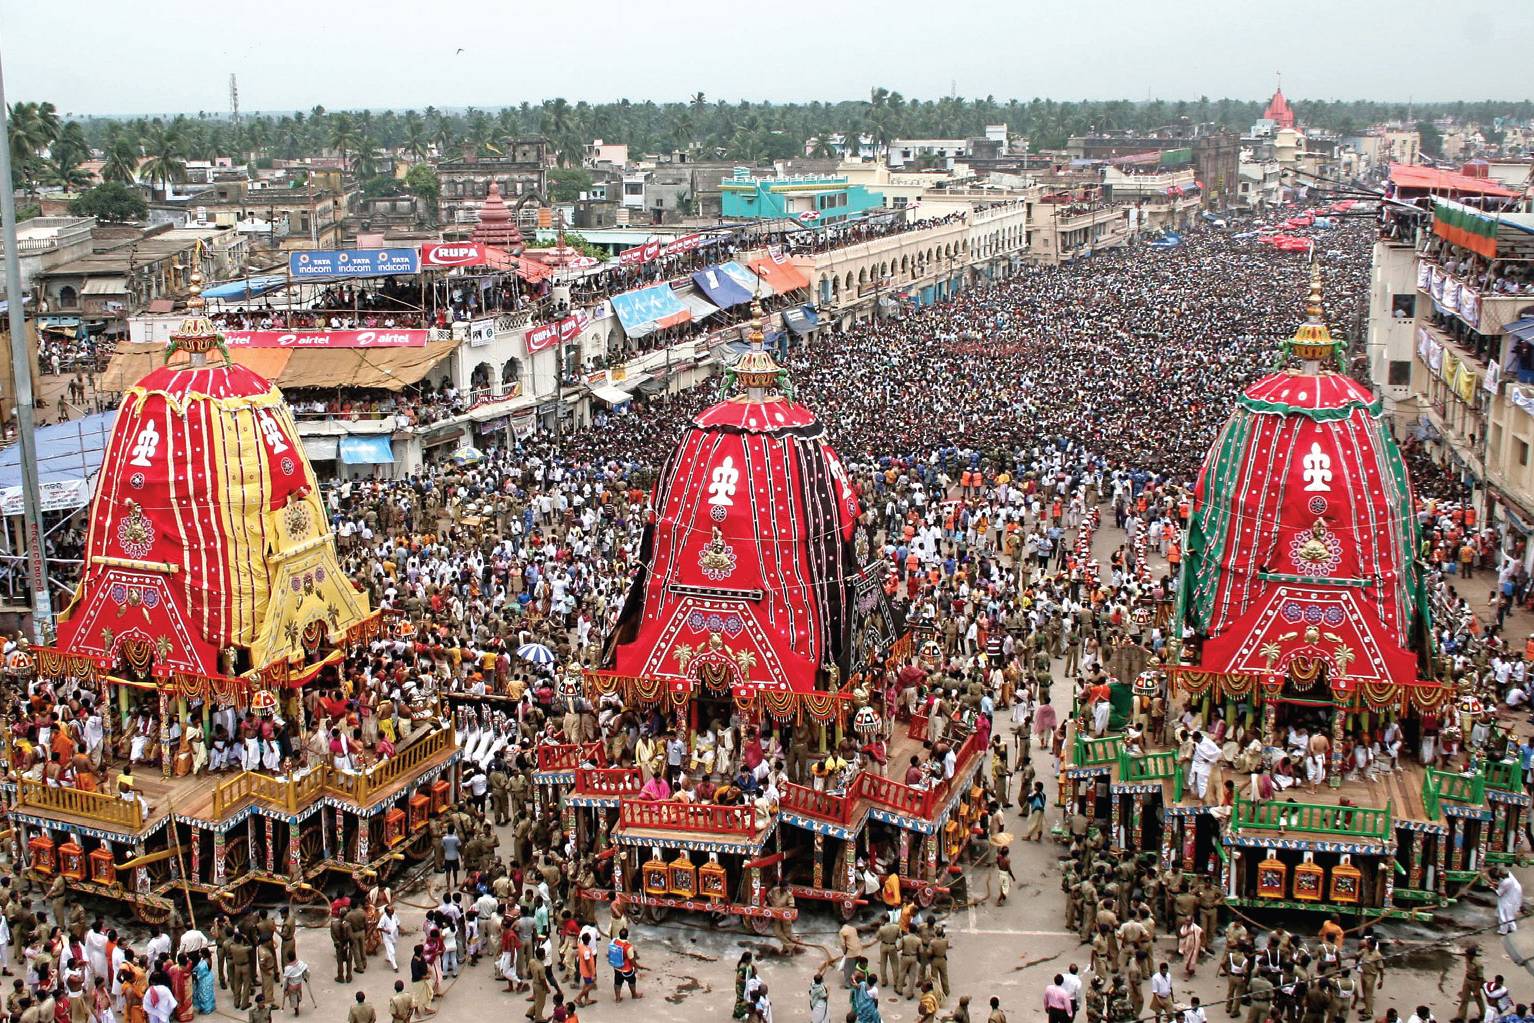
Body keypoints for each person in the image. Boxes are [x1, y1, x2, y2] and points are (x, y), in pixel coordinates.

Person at [607, 929, 638, 1002]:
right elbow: (632, 959)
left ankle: (617, 998)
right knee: (632, 981)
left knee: (617, 982)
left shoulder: (615, 942)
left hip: (617, 967)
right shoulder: (628, 946)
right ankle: (634, 995)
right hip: (627, 969)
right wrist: (636, 967)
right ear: (627, 936)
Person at [279, 953, 306, 1017]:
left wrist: (284, 988)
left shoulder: (288, 968)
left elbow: (285, 980)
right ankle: (297, 1005)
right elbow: (306, 969)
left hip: (292, 986)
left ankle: (296, 1009)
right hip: (299, 984)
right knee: (298, 995)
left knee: (293, 998)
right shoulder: (300, 963)